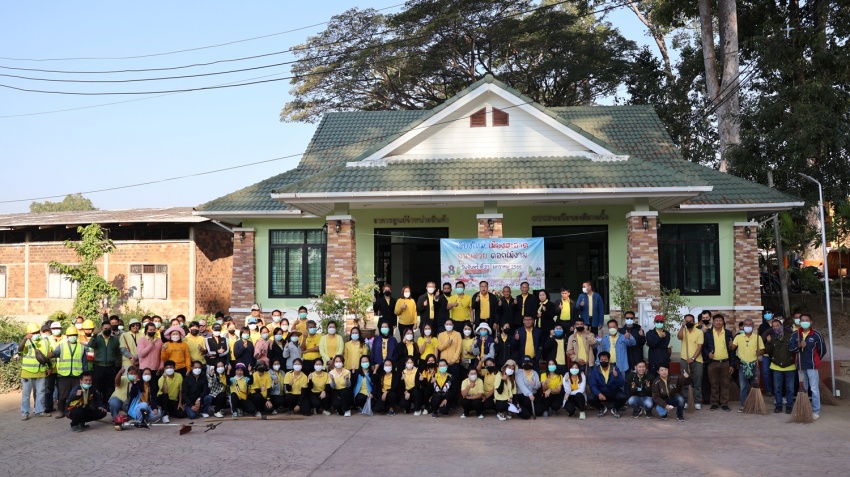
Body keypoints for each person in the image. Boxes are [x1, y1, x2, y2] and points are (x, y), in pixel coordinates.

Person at [789, 314, 828, 420]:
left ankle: (816, 411)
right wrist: (799, 346)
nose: (804, 322)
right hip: (800, 366)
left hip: (812, 366)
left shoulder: (816, 334)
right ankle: (803, 409)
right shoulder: (795, 334)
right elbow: (791, 349)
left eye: (807, 320)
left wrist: (815, 360)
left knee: (814, 389)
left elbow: (822, 350)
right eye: (802, 320)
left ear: (811, 322)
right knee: (803, 388)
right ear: (800, 322)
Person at [730, 318, 765, 412]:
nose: (748, 326)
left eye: (750, 325)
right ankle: (744, 405)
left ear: (753, 326)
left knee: (755, 386)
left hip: (754, 365)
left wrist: (760, 352)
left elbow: (763, 350)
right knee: (743, 387)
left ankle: (755, 405)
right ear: (743, 326)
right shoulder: (738, 337)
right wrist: (730, 345)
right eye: (746, 325)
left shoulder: (758, 337)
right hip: (743, 365)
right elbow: (732, 347)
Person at [703, 314, 736, 411]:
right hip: (712, 363)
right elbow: (703, 347)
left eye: (720, 320)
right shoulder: (708, 334)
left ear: (723, 322)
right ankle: (714, 402)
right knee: (714, 384)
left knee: (725, 383)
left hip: (725, 362)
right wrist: (708, 354)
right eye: (716, 320)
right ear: (713, 322)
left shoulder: (728, 333)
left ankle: (724, 403)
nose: (718, 322)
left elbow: (732, 350)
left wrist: (732, 365)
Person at [52, 326, 86, 419]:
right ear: (67, 336)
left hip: (77, 374)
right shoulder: (61, 346)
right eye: (71, 335)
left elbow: (84, 362)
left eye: (74, 335)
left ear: (77, 336)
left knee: (77, 394)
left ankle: (75, 411)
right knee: (62, 395)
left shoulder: (82, 347)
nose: (72, 337)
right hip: (64, 375)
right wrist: (48, 355)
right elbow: (54, 354)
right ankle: (61, 411)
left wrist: (85, 375)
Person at [19, 323, 51, 420]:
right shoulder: (26, 342)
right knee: (26, 394)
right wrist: (25, 339)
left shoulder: (45, 341)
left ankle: (40, 411)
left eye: (37, 332)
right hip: (27, 372)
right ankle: (25, 413)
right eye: (33, 333)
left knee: (41, 393)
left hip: (41, 371)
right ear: (28, 333)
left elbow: (47, 356)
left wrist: (49, 367)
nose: (36, 334)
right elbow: (19, 349)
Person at [764, 318, 796, 414]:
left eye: (777, 326)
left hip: (789, 366)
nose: (775, 328)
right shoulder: (771, 337)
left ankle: (789, 406)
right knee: (777, 388)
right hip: (776, 366)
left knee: (790, 388)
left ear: (781, 326)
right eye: (773, 326)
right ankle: (778, 406)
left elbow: (794, 350)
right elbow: (768, 352)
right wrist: (768, 342)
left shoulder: (790, 336)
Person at [88, 320, 121, 403]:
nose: (107, 330)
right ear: (102, 329)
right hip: (98, 366)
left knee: (110, 387)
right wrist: (94, 335)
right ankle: (98, 404)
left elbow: (117, 352)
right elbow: (90, 345)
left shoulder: (115, 340)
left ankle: (108, 405)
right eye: (105, 328)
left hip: (110, 367)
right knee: (97, 387)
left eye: (109, 328)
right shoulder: (97, 338)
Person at [677, 313, 704, 410]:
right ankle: (686, 401)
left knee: (697, 382)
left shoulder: (699, 332)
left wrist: (692, 358)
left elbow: (700, 347)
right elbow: (679, 337)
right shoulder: (683, 331)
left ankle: (697, 401)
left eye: (690, 321)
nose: (689, 322)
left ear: (694, 321)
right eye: (687, 321)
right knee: (685, 382)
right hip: (684, 360)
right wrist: (682, 326)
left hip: (697, 361)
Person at [588, 351, 626, 418]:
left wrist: (616, 377)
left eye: (605, 360)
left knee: (623, 396)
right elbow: (593, 385)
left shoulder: (615, 369)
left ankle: (615, 408)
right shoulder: (595, 370)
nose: (603, 361)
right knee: (590, 398)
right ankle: (601, 408)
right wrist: (598, 393)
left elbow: (621, 384)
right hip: (601, 392)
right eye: (601, 360)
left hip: (612, 391)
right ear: (599, 360)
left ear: (609, 360)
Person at [437, 318, 462, 402]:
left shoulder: (457, 334)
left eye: (450, 324)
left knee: (454, 383)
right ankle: (443, 401)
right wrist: (447, 343)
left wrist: (453, 360)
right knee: (444, 383)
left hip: (454, 363)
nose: (449, 326)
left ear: (453, 325)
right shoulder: (441, 335)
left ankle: (453, 403)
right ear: (444, 325)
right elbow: (440, 347)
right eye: (447, 324)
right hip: (443, 364)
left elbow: (459, 348)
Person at [43, 321, 64, 414]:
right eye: (54, 329)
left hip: (62, 368)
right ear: (51, 330)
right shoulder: (47, 339)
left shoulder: (66, 339)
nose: (56, 330)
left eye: (57, 328)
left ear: (61, 329)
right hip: (50, 368)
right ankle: (49, 407)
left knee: (61, 389)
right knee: (48, 388)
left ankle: (61, 408)